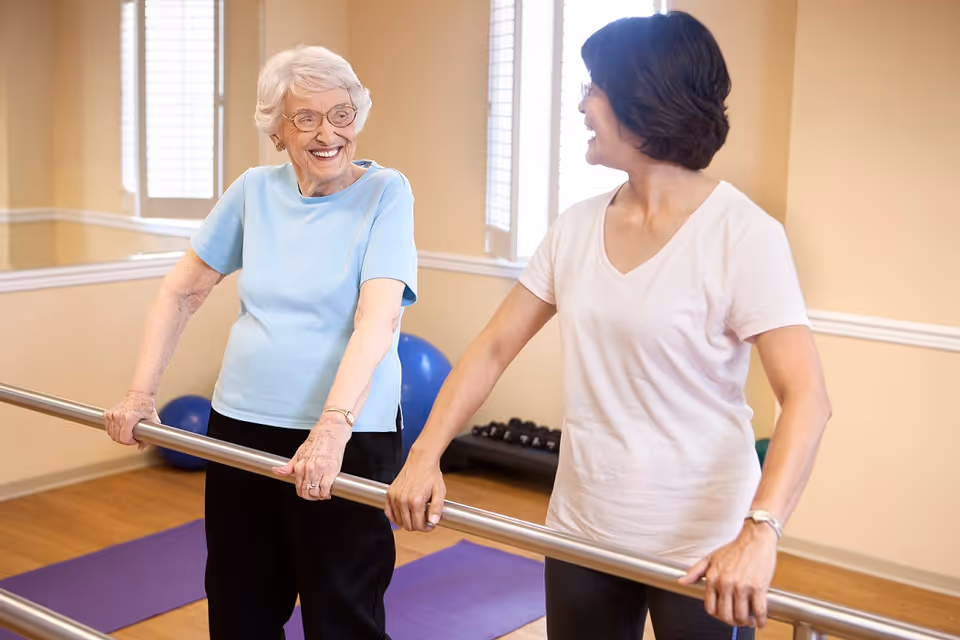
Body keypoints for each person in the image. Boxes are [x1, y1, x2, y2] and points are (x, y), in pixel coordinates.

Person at [386, 12, 830, 640]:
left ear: (644, 102)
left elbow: (808, 399)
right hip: (583, 528)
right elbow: (492, 349)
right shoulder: (575, 226)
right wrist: (424, 455)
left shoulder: (743, 234)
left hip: (704, 543)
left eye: (594, 87)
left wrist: (761, 532)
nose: (581, 105)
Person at [105, 45, 417, 640]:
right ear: (276, 130)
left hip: (349, 434)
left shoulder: (387, 193)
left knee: (342, 613)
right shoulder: (253, 191)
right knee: (239, 604)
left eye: (342, 114)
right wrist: (140, 391)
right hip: (242, 425)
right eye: (306, 118)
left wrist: (331, 428)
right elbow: (182, 293)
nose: (328, 133)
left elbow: (377, 319)